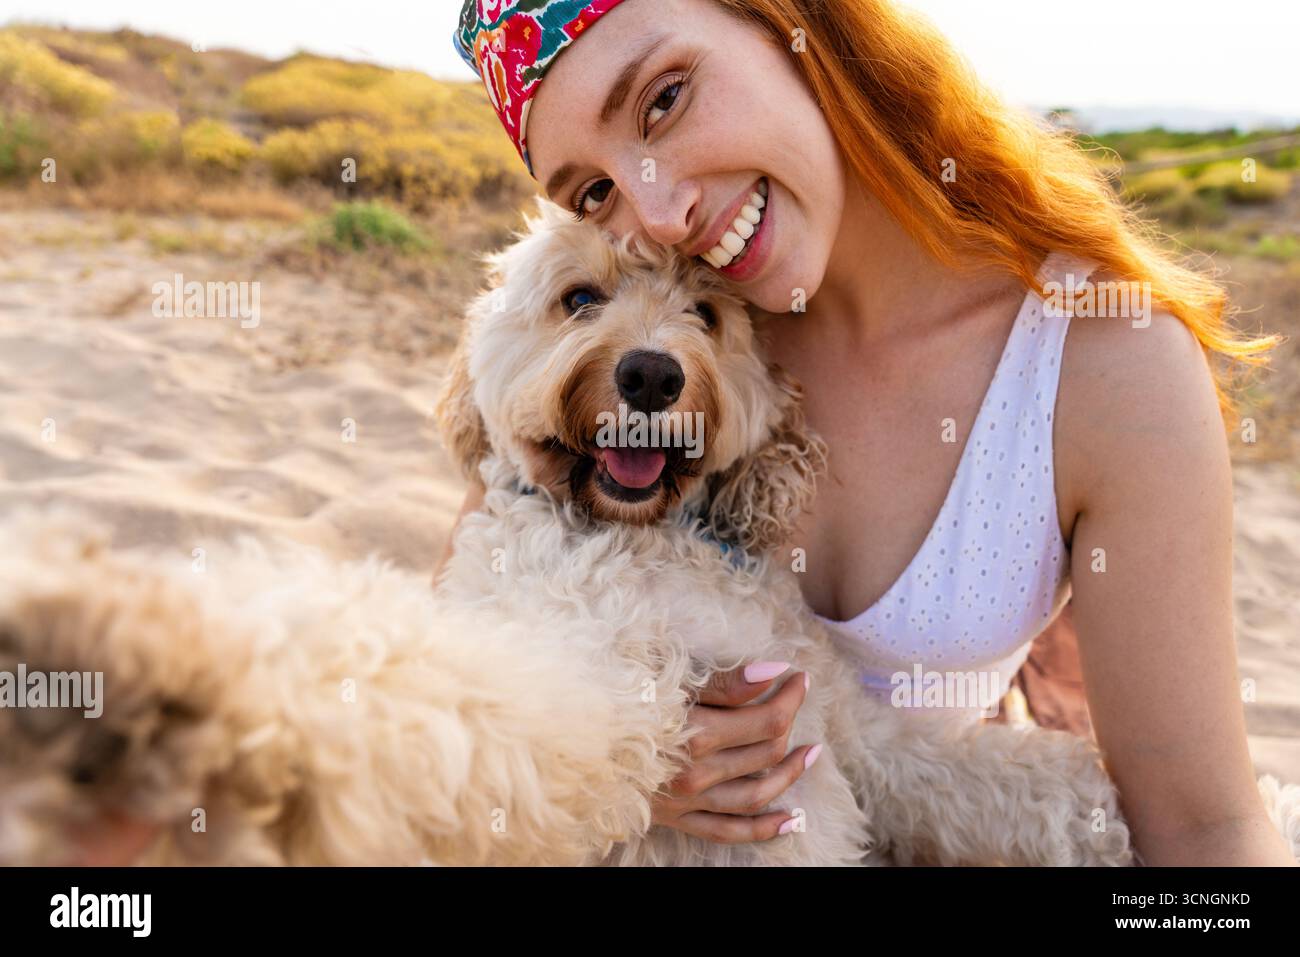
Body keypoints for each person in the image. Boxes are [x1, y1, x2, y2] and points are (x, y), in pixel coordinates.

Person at [446, 0, 1294, 864]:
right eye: (596, 192)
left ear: (790, 25)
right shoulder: (642, 338)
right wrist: (598, 761)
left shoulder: (1107, 365)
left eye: (665, 100)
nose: (659, 215)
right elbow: (466, 635)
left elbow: (1204, 830)